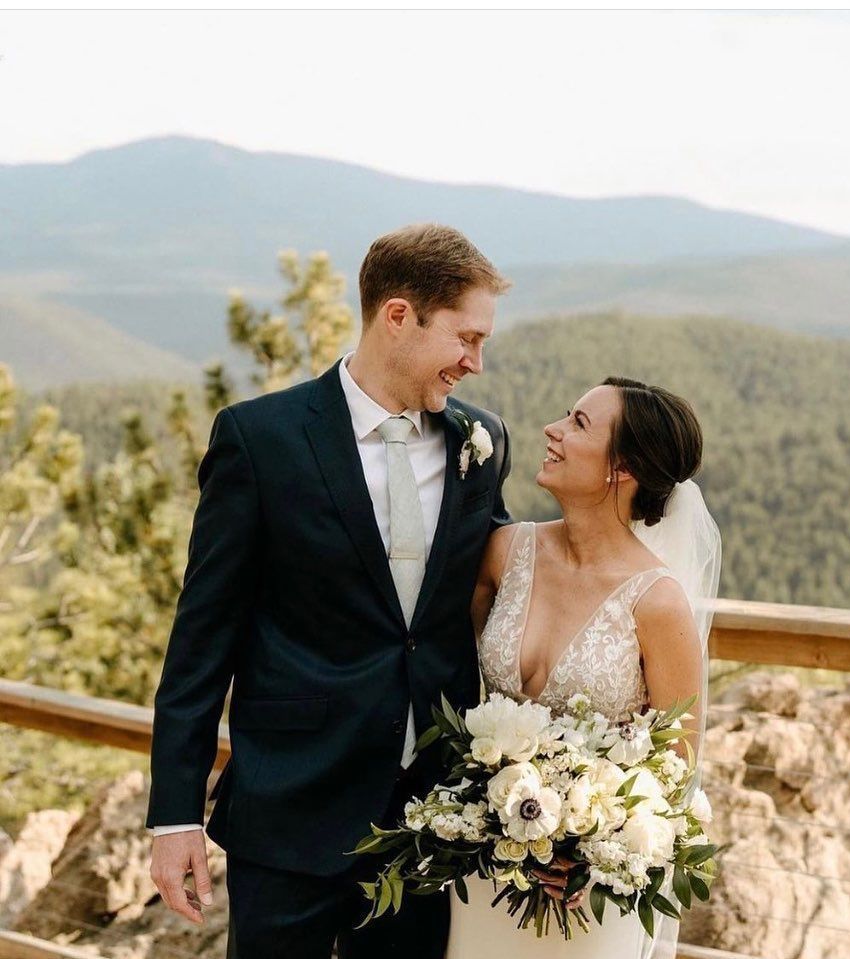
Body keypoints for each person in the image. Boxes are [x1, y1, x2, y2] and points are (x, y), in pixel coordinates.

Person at [145, 224, 512, 959]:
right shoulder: (262, 438)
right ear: (398, 316)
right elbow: (202, 636)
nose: (474, 362)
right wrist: (173, 814)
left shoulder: (483, 442)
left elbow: (502, 585)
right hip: (290, 805)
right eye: (465, 338)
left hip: (427, 821)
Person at [447, 377, 721, 959]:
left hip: (582, 901)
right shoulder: (505, 553)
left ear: (621, 468)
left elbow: (676, 776)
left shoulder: (657, 602)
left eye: (578, 424)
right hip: (485, 873)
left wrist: (597, 852)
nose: (553, 430)